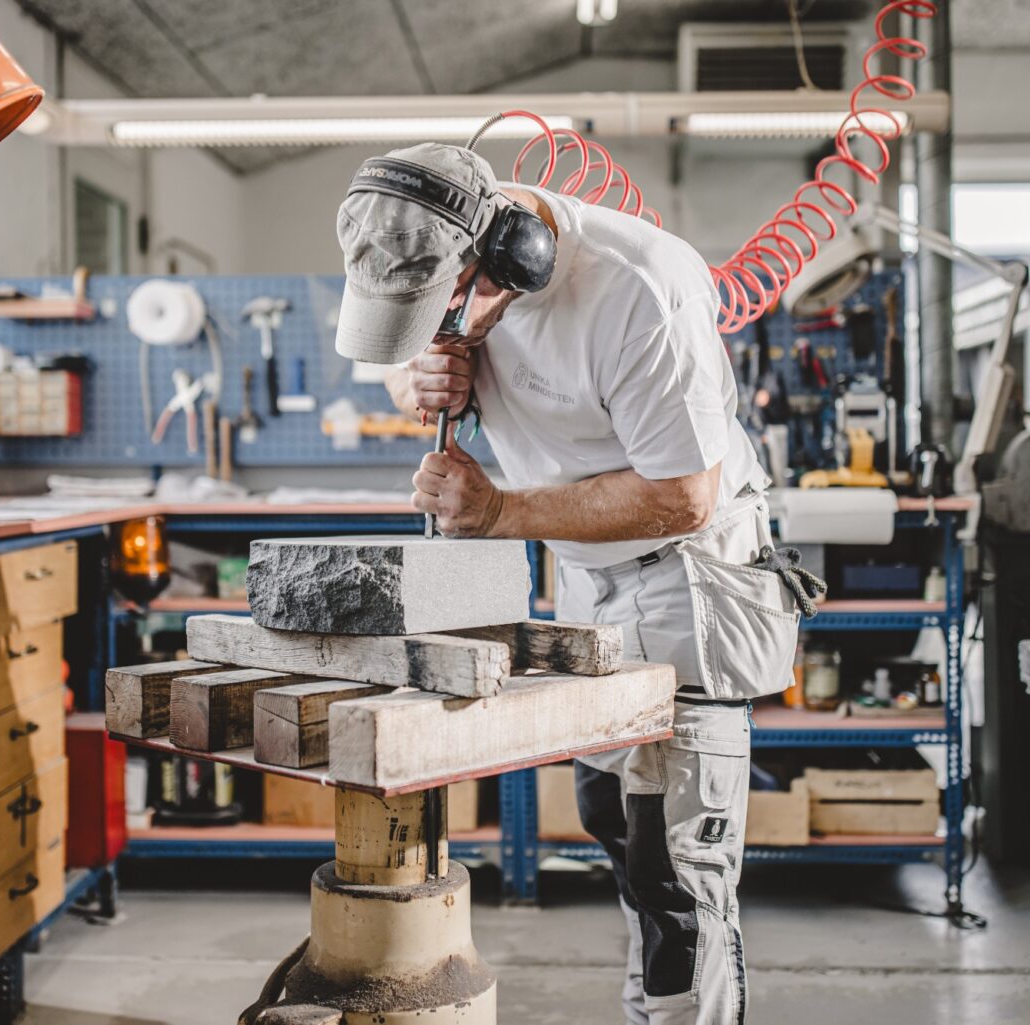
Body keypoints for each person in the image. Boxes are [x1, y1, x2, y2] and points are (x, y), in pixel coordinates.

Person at [334, 140, 816, 1025]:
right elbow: (442, 357)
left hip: (688, 582)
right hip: (588, 577)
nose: (441, 326)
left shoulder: (637, 291)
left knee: (677, 875)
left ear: (511, 255)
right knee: (617, 830)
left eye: (441, 309)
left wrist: (496, 514)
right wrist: (425, 374)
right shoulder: (468, 283)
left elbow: (683, 495)